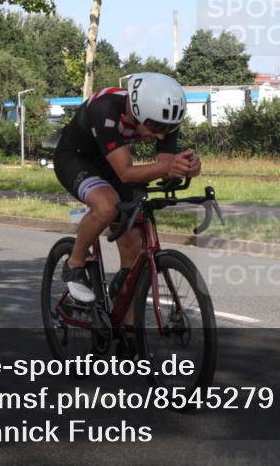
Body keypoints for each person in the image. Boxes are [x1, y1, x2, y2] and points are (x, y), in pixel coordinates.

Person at [53, 72, 201, 303]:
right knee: (107, 206)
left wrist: (186, 167)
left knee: (134, 244)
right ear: (138, 110)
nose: (160, 134)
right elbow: (126, 173)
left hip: (110, 160)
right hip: (75, 158)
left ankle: (129, 330)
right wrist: (167, 167)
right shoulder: (105, 108)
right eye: (157, 127)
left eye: (168, 129)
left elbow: (164, 166)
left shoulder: (162, 118)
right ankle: (74, 264)